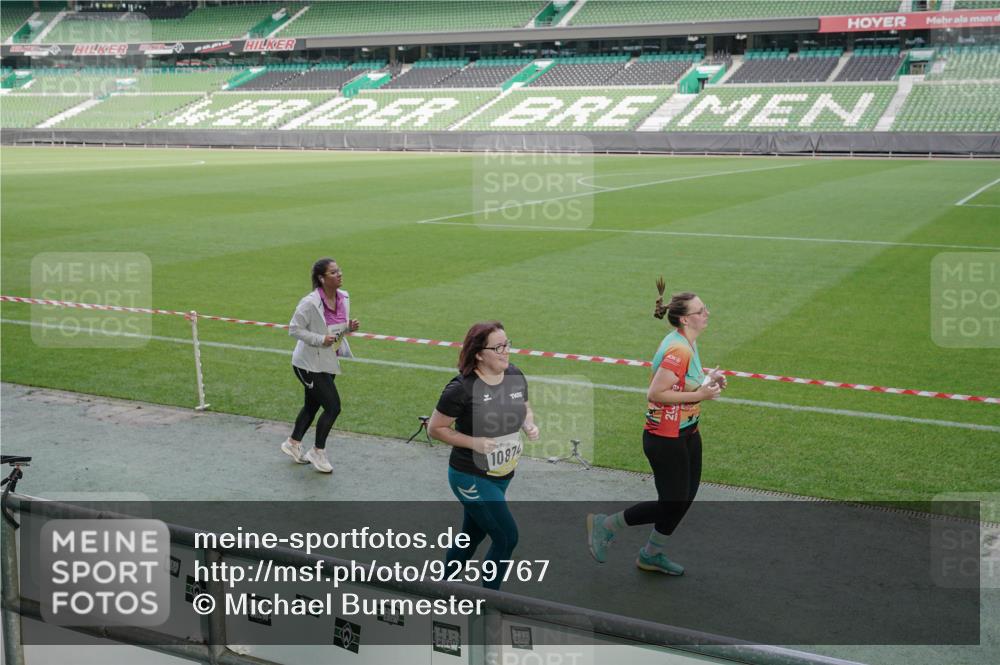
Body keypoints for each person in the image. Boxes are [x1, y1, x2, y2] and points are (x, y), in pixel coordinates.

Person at [587, 286, 725, 575]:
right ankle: (606, 524)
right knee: (672, 504)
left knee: (684, 499)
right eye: (701, 310)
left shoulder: (688, 342)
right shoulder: (679, 349)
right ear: (685, 319)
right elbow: (656, 393)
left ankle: (650, 555)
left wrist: (707, 382)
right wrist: (701, 394)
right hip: (666, 437)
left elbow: (682, 383)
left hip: (687, 432)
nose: (707, 313)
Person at [428, 321, 540, 590]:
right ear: (479, 354)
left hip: (502, 474)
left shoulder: (514, 375)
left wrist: (528, 424)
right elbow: (435, 428)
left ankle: (443, 588)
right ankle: (488, 602)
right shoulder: (461, 388)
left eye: (507, 344)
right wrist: (474, 442)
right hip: (470, 476)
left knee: (472, 534)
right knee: (506, 537)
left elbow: (525, 407)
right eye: (498, 347)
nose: (506, 351)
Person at [280, 258, 359, 473]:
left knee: (312, 406)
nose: (339, 274)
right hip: (308, 364)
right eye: (333, 272)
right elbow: (294, 329)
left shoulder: (344, 297)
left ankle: (293, 443)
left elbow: (334, 327)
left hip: (328, 361)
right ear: (322, 279)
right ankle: (317, 451)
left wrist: (348, 327)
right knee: (333, 407)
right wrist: (319, 339)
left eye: (339, 270)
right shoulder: (309, 303)